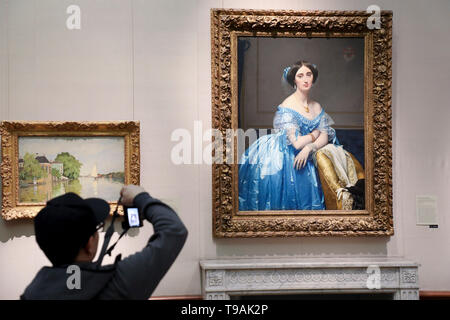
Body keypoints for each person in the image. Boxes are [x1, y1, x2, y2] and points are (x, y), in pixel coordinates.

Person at [21, 185, 188, 300]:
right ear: (89, 243)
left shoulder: (32, 292)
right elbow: (174, 230)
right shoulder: (119, 283)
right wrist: (140, 197)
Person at [239, 60, 339, 211]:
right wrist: (314, 134)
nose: (305, 79)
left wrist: (309, 148)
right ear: (294, 80)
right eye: (300, 76)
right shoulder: (288, 106)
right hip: (285, 155)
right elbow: (297, 144)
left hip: (309, 154)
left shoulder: (316, 106)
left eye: (308, 74)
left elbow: (324, 137)